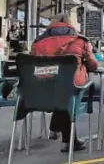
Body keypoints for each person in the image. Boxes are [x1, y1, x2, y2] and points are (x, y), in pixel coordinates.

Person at [31, 13, 98, 152]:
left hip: (43, 87)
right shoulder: (80, 41)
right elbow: (94, 66)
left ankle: (60, 132)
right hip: (72, 86)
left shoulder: (38, 42)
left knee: (59, 89)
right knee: (66, 90)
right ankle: (66, 139)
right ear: (69, 23)